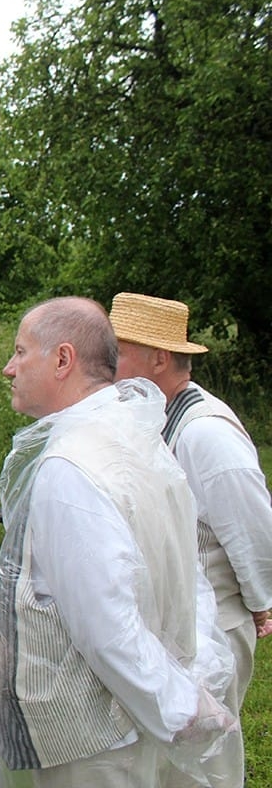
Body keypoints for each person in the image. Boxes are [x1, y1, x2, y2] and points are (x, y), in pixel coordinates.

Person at [0, 296, 237, 788]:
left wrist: (181, 706)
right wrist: (196, 679)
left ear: (62, 360)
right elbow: (190, 574)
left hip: (87, 744)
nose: (8, 368)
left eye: (21, 352)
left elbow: (106, 626)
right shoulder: (139, 438)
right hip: (127, 729)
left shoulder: (72, 468)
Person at [110, 291, 272, 786]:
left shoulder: (206, 432)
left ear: (159, 359)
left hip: (215, 625)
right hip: (178, 620)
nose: (108, 363)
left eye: (119, 351)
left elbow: (252, 524)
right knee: (170, 758)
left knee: (207, 760)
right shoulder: (157, 416)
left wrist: (262, 601)